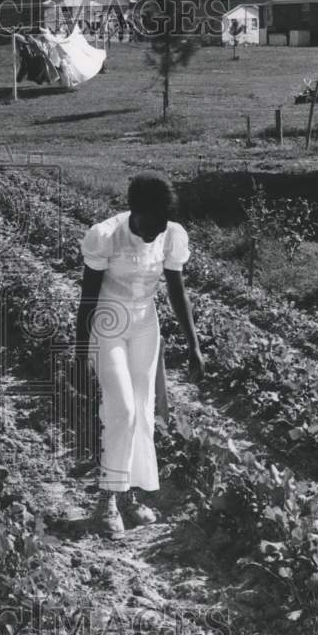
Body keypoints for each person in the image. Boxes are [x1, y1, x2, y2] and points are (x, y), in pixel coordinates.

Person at [74, 172, 204, 540]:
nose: (155, 233)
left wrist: (193, 345)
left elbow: (177, 292)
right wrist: (80, 354)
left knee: (144, 412)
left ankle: (129, 495)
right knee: (123, 410)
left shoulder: (170, 233)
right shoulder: (106, 235)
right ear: (134, 211)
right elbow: (87, 299)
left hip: (146, 326)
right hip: (108, 324)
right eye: (151, 224)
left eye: (162, 224)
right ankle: (106, 501)